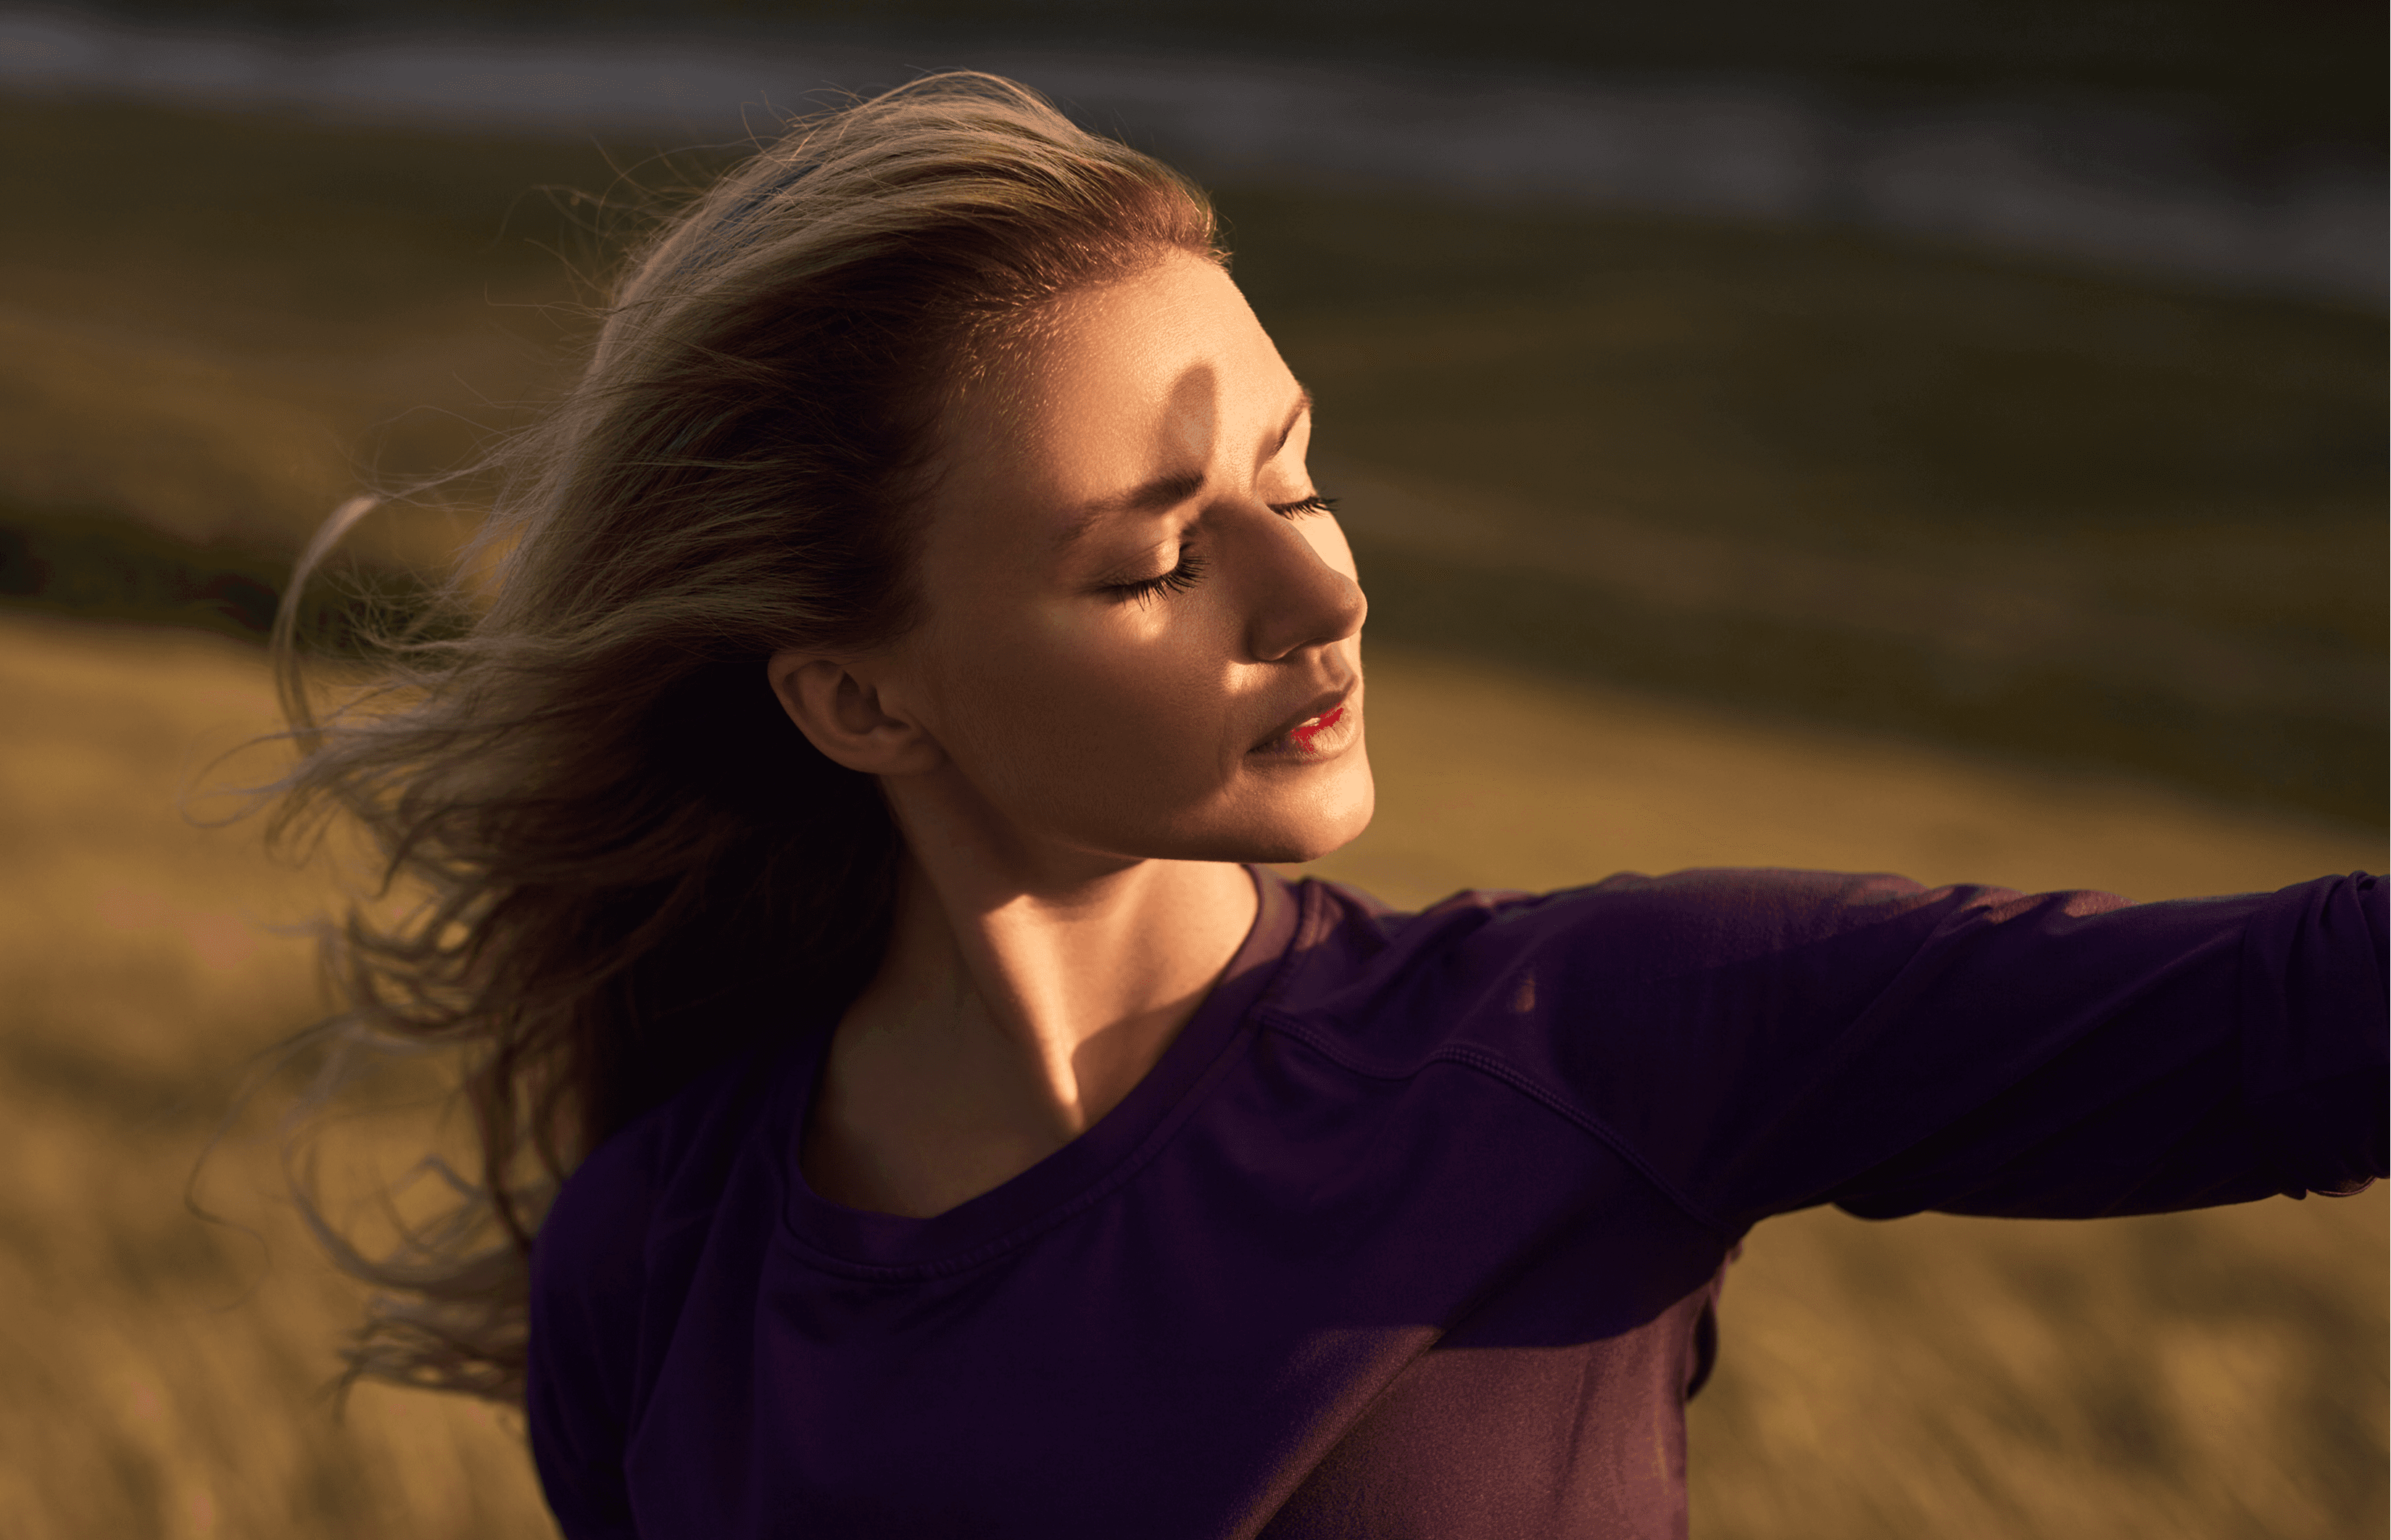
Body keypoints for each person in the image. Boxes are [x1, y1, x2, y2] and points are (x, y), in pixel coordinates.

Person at [264, 73, 2386, 1539]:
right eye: (1160, 553)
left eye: (1299, 471)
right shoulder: (663, 1265)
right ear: (855, 694)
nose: (1326, 584)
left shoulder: (1604, 1041)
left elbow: (2311, 1019)